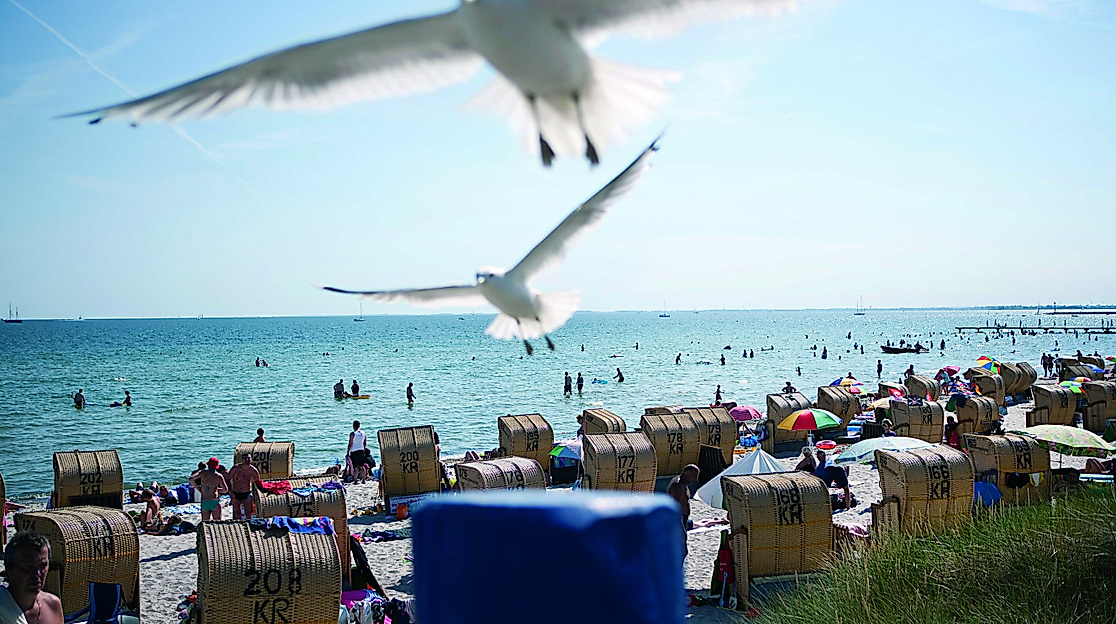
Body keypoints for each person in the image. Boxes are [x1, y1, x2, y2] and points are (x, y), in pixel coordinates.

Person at [1, 531, 65, 624]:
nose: (37, 573)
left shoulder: (53, 605)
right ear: (9, 568)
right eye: (28, 567)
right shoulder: (2, 607)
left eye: (43, 566)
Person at [668, 465, 700, 558]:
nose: (694, 479)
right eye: (693, 476)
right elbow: (673, 506)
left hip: (683, 518)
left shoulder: (683, 484)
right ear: (687, 473)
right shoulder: (677, 486)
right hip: (678, 519)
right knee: (681, 550)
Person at [228, 453, 262, 520]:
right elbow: (228, 479)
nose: (247, 460)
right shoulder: (236, 468)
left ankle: (249, 524)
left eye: (249, 458)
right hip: (235, 492)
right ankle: (238, 525)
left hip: (246, 492)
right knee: (237, 512)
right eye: (245, 458)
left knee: (248, 512)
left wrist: (257, 495)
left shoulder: (253, 471)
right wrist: (230, 492)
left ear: (251, 459)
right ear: (242, 460)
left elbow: (257, 483)